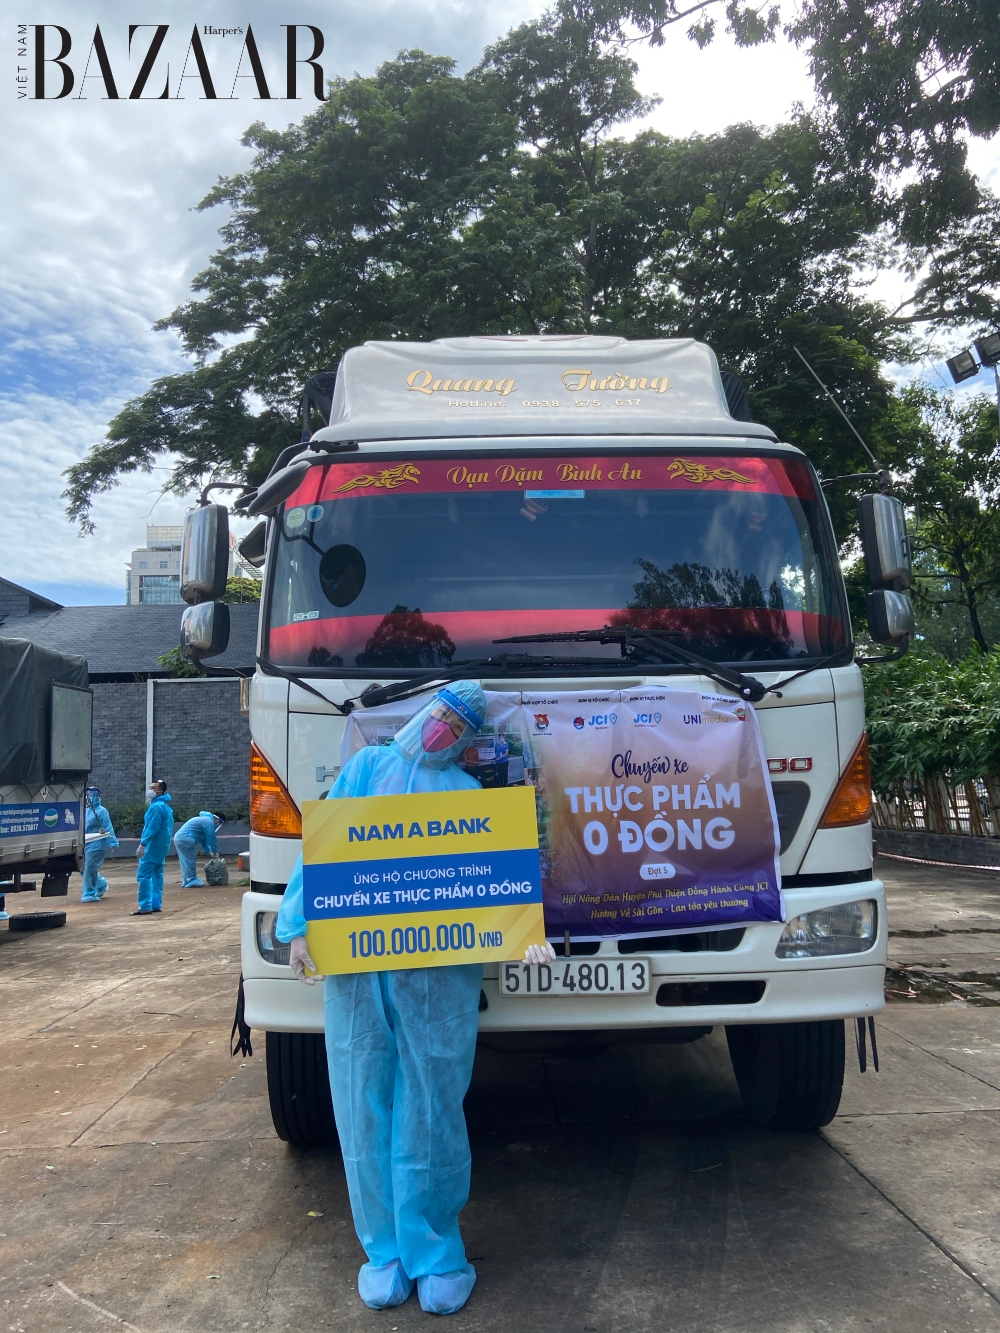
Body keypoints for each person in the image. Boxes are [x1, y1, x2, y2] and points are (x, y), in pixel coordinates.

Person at [275, 682, 555, 1316]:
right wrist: (297, 926)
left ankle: (436, 1253)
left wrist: (524, 933)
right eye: (443, 715)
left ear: (467, 740)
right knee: (360, 1102)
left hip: (438, 976)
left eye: (459, 726)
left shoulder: (470, 795)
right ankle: (384, 1253)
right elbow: (320, 853)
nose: (443, 730)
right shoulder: (365, 769)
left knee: (432, 1108)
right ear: (427, 712)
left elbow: (493, 877)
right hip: (357, 970)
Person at [133, 779, 174, 916]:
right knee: (157, 876)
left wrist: (143, 844)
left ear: (160, 791)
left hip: (152, 846)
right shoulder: (165, 807)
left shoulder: (156, 807)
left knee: (144, 876)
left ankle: (145, 905)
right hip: (161, 847)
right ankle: (156, 904)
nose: (150, 790)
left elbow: (152, 827)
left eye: (153, 788)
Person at [81, 787, 119, 902]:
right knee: (82, 869)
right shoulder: (84, 811)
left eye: (91, 795)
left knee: (89, 869)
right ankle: (101, 884)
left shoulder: (102, 811)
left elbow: (108, 827)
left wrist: (112, 842)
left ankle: (89, 892)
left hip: (96, 845)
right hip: (85, 844)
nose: (89, 798)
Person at [173, 810, 224, 887]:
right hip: (186, 838)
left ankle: (186, 880)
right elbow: (211, 838)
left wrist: (209, 852)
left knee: (184, 861)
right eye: (219, 822)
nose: (217, 824)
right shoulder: (208, 821)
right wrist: (215, 851)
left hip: (179, 838)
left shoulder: (203, 820)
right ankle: (192, 879)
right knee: (190, 859)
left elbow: (204, 841)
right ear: (216, 818)